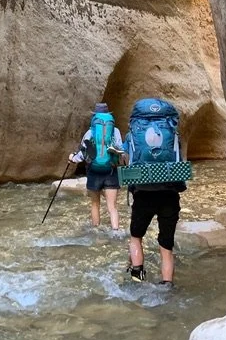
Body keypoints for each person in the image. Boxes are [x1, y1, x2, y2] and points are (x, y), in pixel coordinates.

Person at [123, 98, 185, 288]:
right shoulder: (172, 132)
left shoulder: (132, 135)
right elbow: (179, 160)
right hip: (169, 194)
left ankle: (137, 278)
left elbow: (126, 160)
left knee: (136, 237)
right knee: (166, 246)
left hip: (143, 194)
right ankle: (167, 285)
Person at [69, 102, 125, 230]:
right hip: (111, 170)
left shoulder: (90, 132)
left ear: (95, 116)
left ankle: (95, 231)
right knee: (112, 207)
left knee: (95, 204)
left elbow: (83, 154)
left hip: (94, 171)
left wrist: (72, 158)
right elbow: (121, 152)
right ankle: (115, 231)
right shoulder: (115, 131)